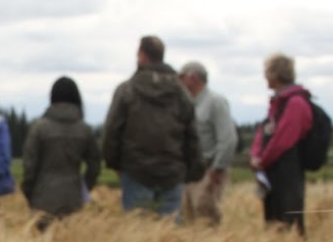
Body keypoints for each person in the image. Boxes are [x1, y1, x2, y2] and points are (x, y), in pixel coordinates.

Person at [101, 35, 203, 219]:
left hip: (136, 172)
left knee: (137, 232)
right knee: (170, 233)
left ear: (141, 55)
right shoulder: (182, 93)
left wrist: (114, 163)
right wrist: (192, 171)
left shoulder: (127, 90)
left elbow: (112, 131)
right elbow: (192, 135)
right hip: (172, 174)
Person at [22, 77, 100, 227]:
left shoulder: (39, 128)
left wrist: (30, 193)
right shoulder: (84, 129)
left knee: (44, 241)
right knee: (70, 239)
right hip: (73, 199)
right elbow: (94, 164)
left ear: (52, 97)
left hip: (42, 199)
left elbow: (29, 166)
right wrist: (84, 188)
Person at [249, 53, 313, 234]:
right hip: (274, 170)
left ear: (275, 73)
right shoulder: (279, 101)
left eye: (267, 71)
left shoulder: (295, 103)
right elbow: (264, 132)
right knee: (274, 220)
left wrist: (262, 160)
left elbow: (282, 140)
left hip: (287, 171)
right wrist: (255, 155)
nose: (264, 76)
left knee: (288, 220)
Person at [177, 61, 238, 225]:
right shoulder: (186, 103)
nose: (179, 82)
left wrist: (217, 170)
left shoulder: (215, 101)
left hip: (208, 172)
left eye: (181, 78)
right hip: (188, 173)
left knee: (205, 218)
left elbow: (228, 139)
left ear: (192, 78)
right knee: (187, 221)